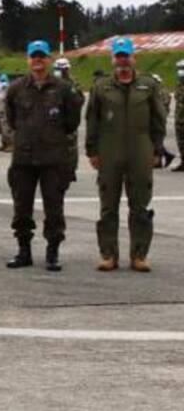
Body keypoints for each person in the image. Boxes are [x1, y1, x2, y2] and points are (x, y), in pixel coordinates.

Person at [86, 37, 166, 272]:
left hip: (140, 150)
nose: (123, 61)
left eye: (126, 56)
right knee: (108, 206)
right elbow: (92, 120)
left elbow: (158, 119)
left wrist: (157, 149)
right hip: (109, 151)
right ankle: (109, 254)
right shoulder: (101, 87)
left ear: (133, 58)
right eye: (119, 56)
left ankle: (139, 255)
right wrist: (92, 150)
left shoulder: (148, 85)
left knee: (140, 205)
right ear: (113, 59)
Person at [4, 41, 84, 272]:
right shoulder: (16, 88)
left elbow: (72, 121)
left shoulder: (63, 89)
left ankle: (52, 253)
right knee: (21, 207)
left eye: (41, 56)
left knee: (54, 208)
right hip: (24, 159)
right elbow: (11, 120)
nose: (37, 60)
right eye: (33, 56)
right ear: (28, 60)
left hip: (53, 158)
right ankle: (23, 251)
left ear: (48, 60)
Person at [52, 57, 82, 186]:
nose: (60, 72)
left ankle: (70, 171)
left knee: (71, 149)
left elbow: (80, 101)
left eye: (63, 69)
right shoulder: (50, 83)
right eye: (58, 69)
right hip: (52, 123)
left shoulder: (73, 84)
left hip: (68, 122)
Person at [174, 59, 184, 173]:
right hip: (180, 118)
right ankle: (183, 161)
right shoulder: (179, 85)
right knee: (181, 141)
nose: (180, 72)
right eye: (180, 69)